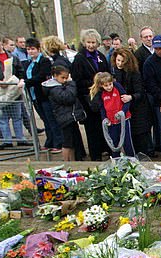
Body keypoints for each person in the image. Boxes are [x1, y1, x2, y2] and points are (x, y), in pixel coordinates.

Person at [70, 29, 110, 160]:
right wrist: (95, 81)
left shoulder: (101, 57)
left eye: (93, 42)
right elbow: (77, 79)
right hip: (88, 98)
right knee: (92, 128)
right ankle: (95, 155)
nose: (91, 45)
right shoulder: (79, 59)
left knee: (104, 124)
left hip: (103, 96)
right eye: (88, 42)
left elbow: (108, 72)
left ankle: (108, 150)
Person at [0, 33, 26, 149]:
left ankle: (20, 138)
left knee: (17, 116)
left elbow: (20, 71)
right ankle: (7, 140)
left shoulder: (12, 57)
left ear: (1, 43)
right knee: (2, 118)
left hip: (13, 90)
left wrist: (19, 81)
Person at [23, 37, 63, 152]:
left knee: (51, 119)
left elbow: (41, 76)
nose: (30, 51)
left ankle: (58, 142)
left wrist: (26, 82)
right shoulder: (28, 63)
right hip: (34, 96)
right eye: (28, 49)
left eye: (32, 49)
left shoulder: (44, 61)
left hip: (43, 95)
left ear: (38, 49)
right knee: (45, 119)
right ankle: (49, 141)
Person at [111, 47, 152, 155]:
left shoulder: (134, 73)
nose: (119, 63)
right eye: (118, 60)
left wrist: (131, 97)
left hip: (137, 109)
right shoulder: (114, 72)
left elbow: (140, 92)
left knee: (139, 136)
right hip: (122, 109)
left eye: (122, 61)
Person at [42, 66, 85, 161]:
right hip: (65, 118)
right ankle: (66, 161)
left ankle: (73, 161)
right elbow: (68, 98)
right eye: (63, 78)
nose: (65, 80)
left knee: (72, 142)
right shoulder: (54, 89)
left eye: (67, 77)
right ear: (55, 76)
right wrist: (71, 83)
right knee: (67, 143)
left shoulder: (60, 86)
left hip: (69, 116)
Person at [143, 34, 161, 161]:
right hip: (159, 100)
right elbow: (150, 84)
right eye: (156, 49)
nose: (159, 51)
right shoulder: (149, 62)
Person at [90, 72, 134, 157]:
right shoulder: (101, 93)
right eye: (106, 86)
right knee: (114, 143)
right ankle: (115, 163)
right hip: (111, 122)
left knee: (127, 143)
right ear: (101, 85)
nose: (109, 87)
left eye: (110, 84)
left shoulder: (117, 87)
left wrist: (123, 112)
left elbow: (126, 101)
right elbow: (102, 107)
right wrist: (104, 118)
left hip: (123, 120)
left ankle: (132, 160)